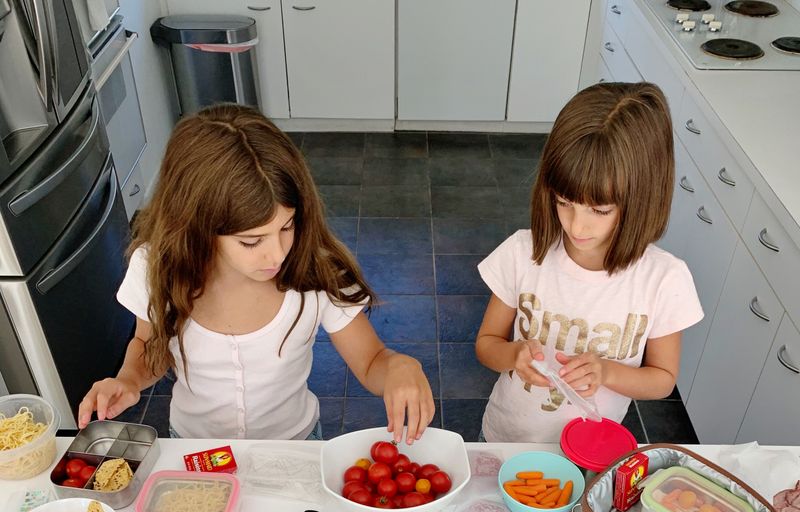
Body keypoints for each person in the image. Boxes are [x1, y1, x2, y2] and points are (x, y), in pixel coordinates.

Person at [78, 104, 434, 443]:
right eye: (251, 241)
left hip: (294, 445)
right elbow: (147, 344)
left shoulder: (315, 270)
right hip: (196, 449)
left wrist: (401, 367)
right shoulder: (157, 266)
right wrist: (127, 379)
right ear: (197, 226)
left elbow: (371, 361)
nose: (277, 253)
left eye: (288, 226)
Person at [475, 82, 703, 443]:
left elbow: (661, 379)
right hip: (508, 440)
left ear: (643, 198)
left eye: (599, 210)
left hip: (592, 450)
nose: (577, 225)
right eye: (564, 202)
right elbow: (487, 344)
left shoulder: (664, 279)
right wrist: (514, 355)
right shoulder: (522, 253)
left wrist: (606, 372)